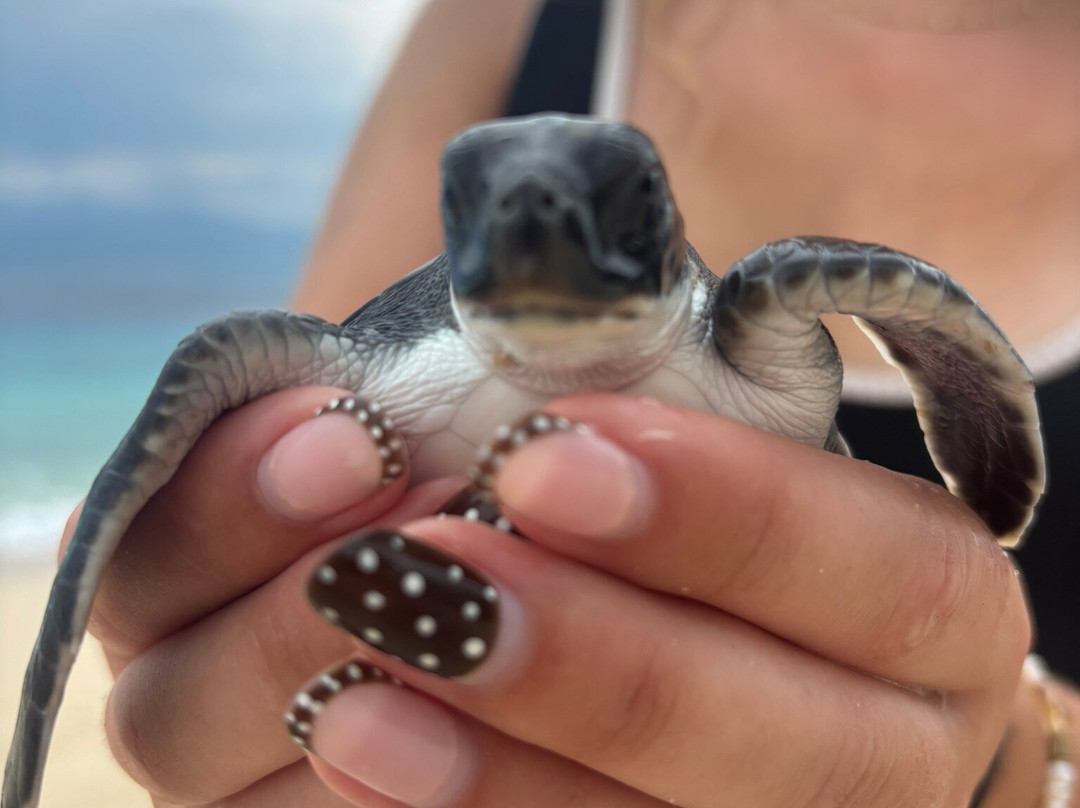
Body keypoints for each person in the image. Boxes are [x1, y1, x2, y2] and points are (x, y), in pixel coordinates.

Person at [67, 1, 1078, 806]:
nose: (539, 227)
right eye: (491, 209)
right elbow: (266, 514)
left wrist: (1013, 762)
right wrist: (229, 659)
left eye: (605, 203)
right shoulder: (505, 20)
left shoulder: (751, 330)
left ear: (662, 219)